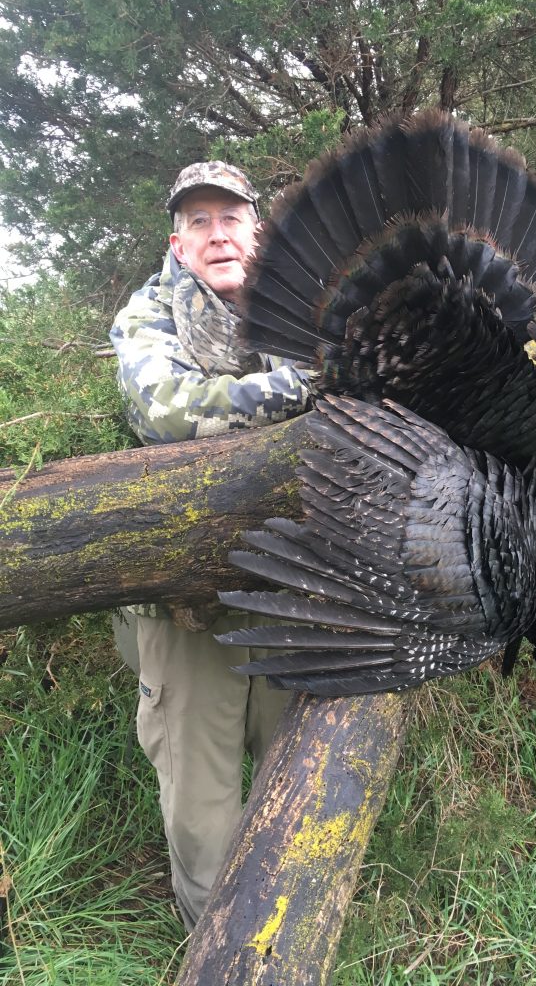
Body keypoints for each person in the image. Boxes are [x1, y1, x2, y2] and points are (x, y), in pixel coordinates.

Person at [110, 161, 311, 931]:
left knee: (290, 787)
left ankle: (285, 938)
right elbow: (170, 413)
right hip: (187, 607)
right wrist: (301, 390)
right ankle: (217, 948)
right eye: (199, 221)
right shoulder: (149, 313)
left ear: (257, 232)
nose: (217, 232)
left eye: (231, 217)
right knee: (205, 816)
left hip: (288, 594)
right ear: (178, 242)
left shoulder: (299, 309)